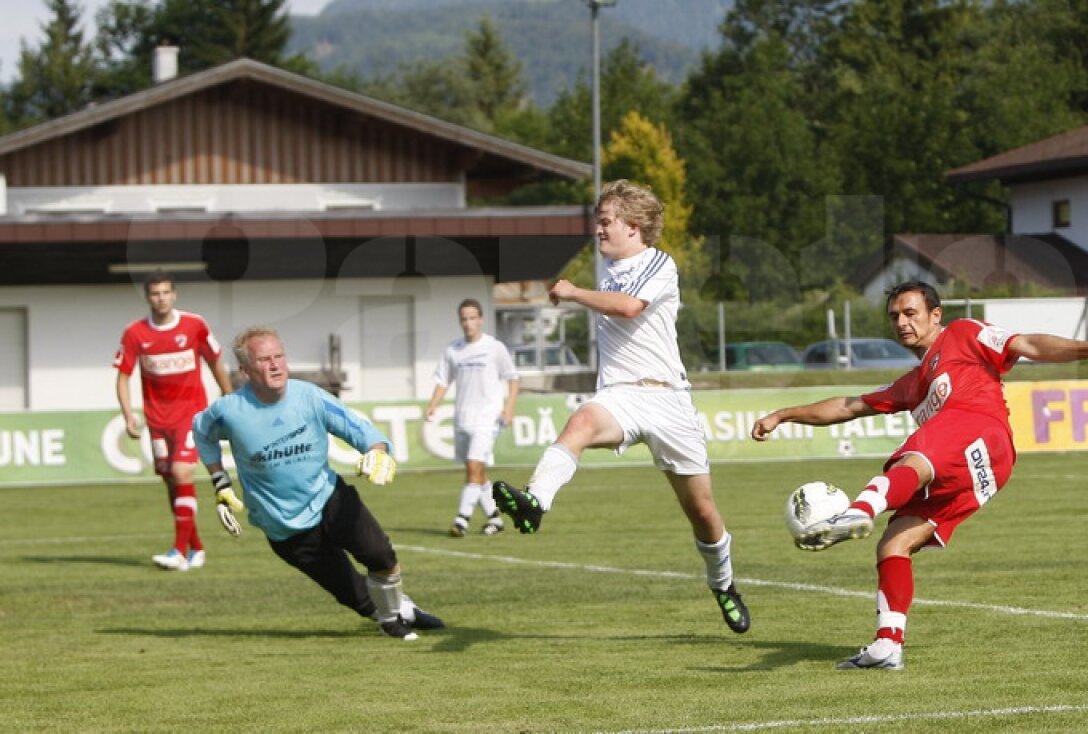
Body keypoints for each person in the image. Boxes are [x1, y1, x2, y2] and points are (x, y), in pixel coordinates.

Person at [751, 280, 1088, 670]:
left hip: (982, 430)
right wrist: (783, 415)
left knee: (915, 458)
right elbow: (848, 406)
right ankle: (887, 645)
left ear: (935, 315)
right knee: (894, 543)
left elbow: (1027, 344)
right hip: (976, 471)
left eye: (910, 313)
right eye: (894, 316)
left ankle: (860, 510)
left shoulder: (963, 333)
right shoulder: (911, 384)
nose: (902, 322)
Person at [492, 179, 751, 634]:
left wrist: (573, 292)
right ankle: (536, 502)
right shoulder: (608, 268)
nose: (597, 230)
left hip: (667, 398)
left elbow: (630, 307)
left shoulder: (660, 263)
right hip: (620, 395)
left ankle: (724, 584)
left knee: (703, 512)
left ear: (633, 226)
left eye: (605, 221)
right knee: (580, 422)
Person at [192, 326, 444, 639]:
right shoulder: (228, 411)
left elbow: (358, 428)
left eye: (279, 356)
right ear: (245, 371)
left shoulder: (309, 396)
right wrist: (220, 482)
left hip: (329, 497)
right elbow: (201, 433)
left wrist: (377, 451)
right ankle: (398, 612)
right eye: (264, 360)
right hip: (282, 524)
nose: (275, 365)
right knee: (355, 596)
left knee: (380, 555)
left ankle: (394, 619)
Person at [114, 270, 233, 572]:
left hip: (190, 414)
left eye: (166, 292)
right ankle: (197, 549)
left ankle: (178, 551)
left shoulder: (194, 325)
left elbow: (216, 362)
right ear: (147, 297)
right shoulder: (135, 333)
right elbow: (123, 376)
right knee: (172, 482)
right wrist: (128, 415)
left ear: (174, 294)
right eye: (155, 293)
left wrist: (229, 398)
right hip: (157, 420)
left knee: (182, 472)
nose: (161, 298)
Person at [424, 298, 520, 537]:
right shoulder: (453, 350)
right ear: (460, 321)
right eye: (464, 319)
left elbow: (513, 378)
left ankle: (461, 520)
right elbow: (443, 380)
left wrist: (509, 408)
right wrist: (433, 405)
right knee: (476, 472)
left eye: (472, 318)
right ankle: (495, 519)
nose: (468, 323)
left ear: (481, 320)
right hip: (463, 418)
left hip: (488, 418)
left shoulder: (494, 347)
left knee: (474, 466)